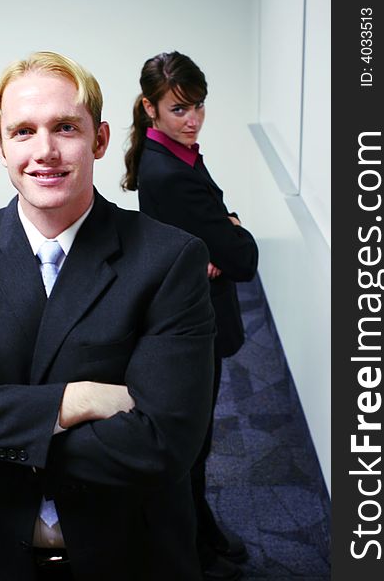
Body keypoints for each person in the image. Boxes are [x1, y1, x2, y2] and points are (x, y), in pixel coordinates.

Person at [0, 51, 216, 581]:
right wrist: (78, 400)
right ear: (0, 146)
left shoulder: (169, 259)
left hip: (130, 551)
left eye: (65, 127)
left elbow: (163, 445)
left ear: (100, 139)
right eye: (23, 131)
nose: (44, 151)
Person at [122, 51, 259, 581]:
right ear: (150, 108)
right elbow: (244, 259)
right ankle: (193, 545)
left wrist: (223, 233)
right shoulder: (169, 171)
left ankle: (199, 533)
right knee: (191, 443)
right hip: (192, 324)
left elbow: (219, 245)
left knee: (196, 440)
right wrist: (233, 230)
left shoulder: (174, 154)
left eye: (198, 106)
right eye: (179, 109)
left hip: (190, 313)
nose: (193, 119)